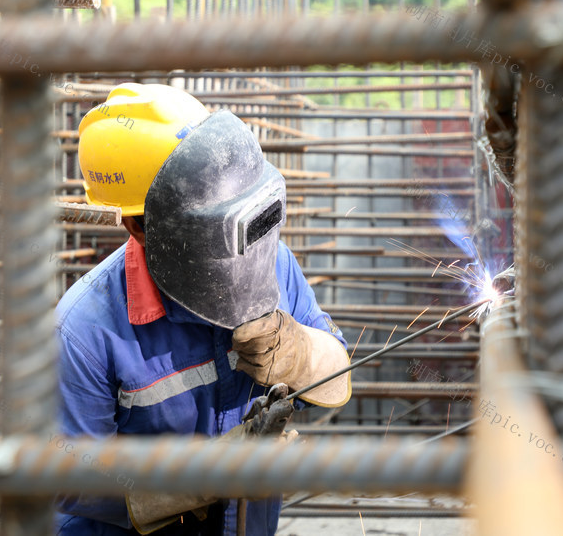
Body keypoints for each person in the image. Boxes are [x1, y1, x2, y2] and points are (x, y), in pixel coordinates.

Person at [54, 83, 352, 535]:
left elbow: (337, 373)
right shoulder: (84, 330)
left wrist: (303, 356)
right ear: (139, 225)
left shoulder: (273, 263)